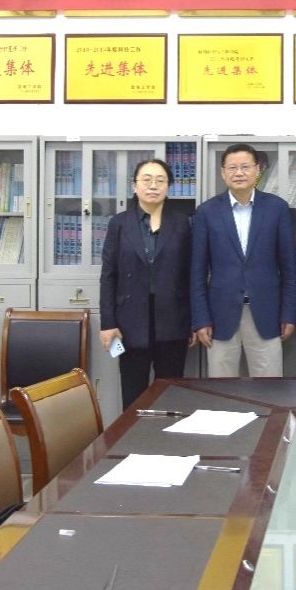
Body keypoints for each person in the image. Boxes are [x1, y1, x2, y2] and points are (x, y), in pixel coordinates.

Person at [190, 143, 296, 377]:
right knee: (221, 387)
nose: (239, 173)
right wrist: (201, 319)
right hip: (219, 315)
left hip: (267, 313)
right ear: (223, 173)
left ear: (258, 170)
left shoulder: (277, 208)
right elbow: (197, 272)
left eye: (245, 167)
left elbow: (289, 269)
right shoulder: (207, 212)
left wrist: (288, 313)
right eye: (232, 167)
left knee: (269, 387)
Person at [98, 158, 192, 411]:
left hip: (172, 320)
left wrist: (193, 321)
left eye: (160, 180)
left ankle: (167, 435)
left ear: (168, 187)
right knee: (133, 394)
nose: (153, 186)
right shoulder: (119, 223)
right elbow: (109, 275)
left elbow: (190, 274)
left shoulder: (181, 223)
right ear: (134, 185)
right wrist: (108, 323)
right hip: (129, 323)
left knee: (171, 394)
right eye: (147, 180)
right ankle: (132, 436)